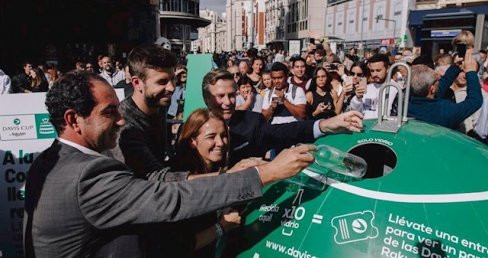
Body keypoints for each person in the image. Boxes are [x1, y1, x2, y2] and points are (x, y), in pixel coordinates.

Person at [23, 70, 315, 258]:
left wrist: (233, 173)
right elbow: (169, 198)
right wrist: (265, 173)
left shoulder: (50, 161)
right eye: (109, 112)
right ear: (74, 119)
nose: (121, 120)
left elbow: (158, 187)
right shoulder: (86, 175)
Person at [202, 69, 364, 166]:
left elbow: (284, 132)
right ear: (207, 98)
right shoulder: (195, 127)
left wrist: (324, 125)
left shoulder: (252, 122)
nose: (227, 102)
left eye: (231, 95)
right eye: (220, 96)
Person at [175, 108, 242, 257]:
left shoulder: (221, 170)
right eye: (211, 136)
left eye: (224, 136)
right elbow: (179, 245)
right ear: (193, 141)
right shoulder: (181, 180)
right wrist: (222, 226)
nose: (220, 143)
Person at [408, 49, 482, 129]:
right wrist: (471, 72)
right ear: (432, 89)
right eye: (437, 80)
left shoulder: (407, 104)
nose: (440, 79)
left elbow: (444, 82)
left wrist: (456, 66)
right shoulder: (443, 111)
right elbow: (475, 100)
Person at [348, 54, 397, 119]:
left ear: (387, 69)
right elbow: (355, 113)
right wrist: (358, 98)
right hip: (365, 127)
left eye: (378, 70)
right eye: (372, 71)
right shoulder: (367, 88)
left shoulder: (396, 89)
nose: (374, 74)